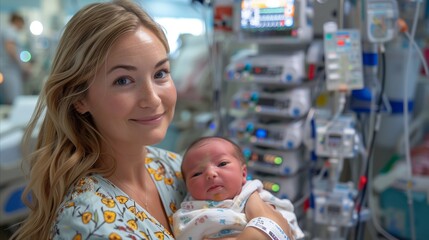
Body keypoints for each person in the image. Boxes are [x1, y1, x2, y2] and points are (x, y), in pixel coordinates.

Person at [11, 1, 293, 239]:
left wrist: (254, 201)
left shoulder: (170, 166)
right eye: (123, 80)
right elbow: (274, 224)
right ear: (79, 99)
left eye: (160, 74)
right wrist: (262, 222)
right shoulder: (90, 218)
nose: (153, 99)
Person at [174, 136, 304, 240]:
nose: (210, 174)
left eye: (222, 163)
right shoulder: (188, 214)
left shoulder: (253, 193)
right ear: (187, 187)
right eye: (197, 173)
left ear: (243, 174)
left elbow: (286, 222)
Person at [0, 12, 30, 104]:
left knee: (15, 97)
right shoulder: (10, 30)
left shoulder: (10, 31)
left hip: (12, 69)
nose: (22, 26)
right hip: (9, 69)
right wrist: (23, 65)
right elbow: (10, 48)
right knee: (13, 99)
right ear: (17, 21)